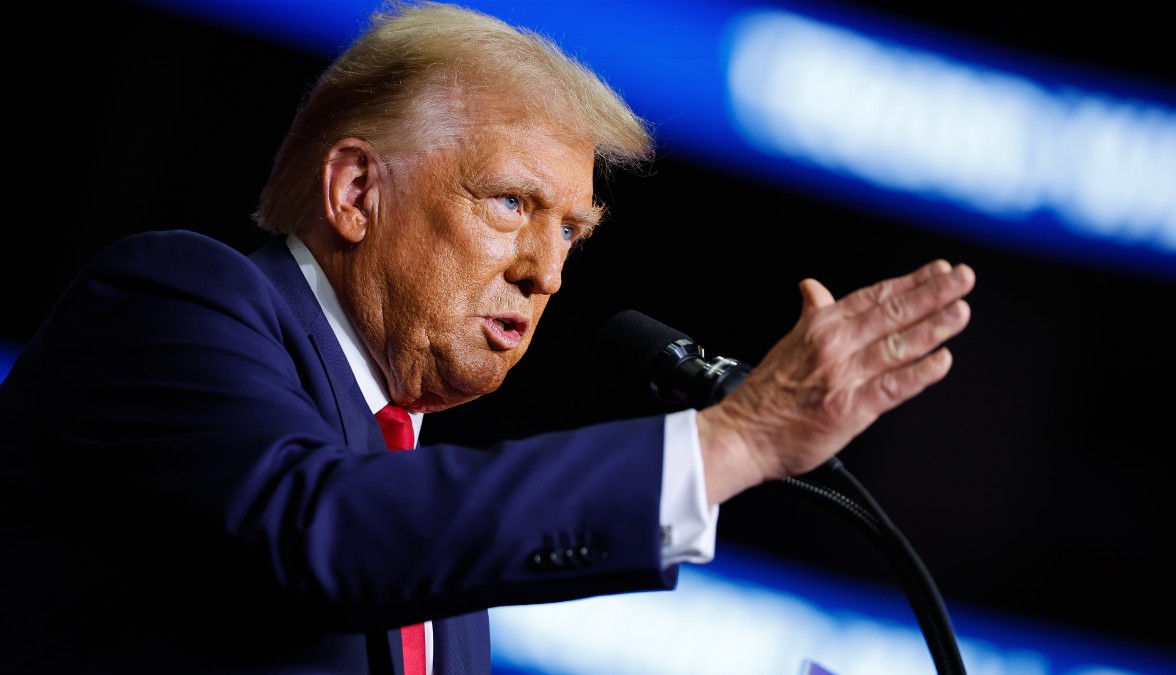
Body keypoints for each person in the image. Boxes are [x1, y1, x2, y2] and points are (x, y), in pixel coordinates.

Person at [0, 1, 975, 673]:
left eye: (571, 232)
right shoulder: (172, 303)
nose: (546, 271)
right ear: (354, 192)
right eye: (512, 203)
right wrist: (735, 442)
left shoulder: (447, 578)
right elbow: (319, 531)